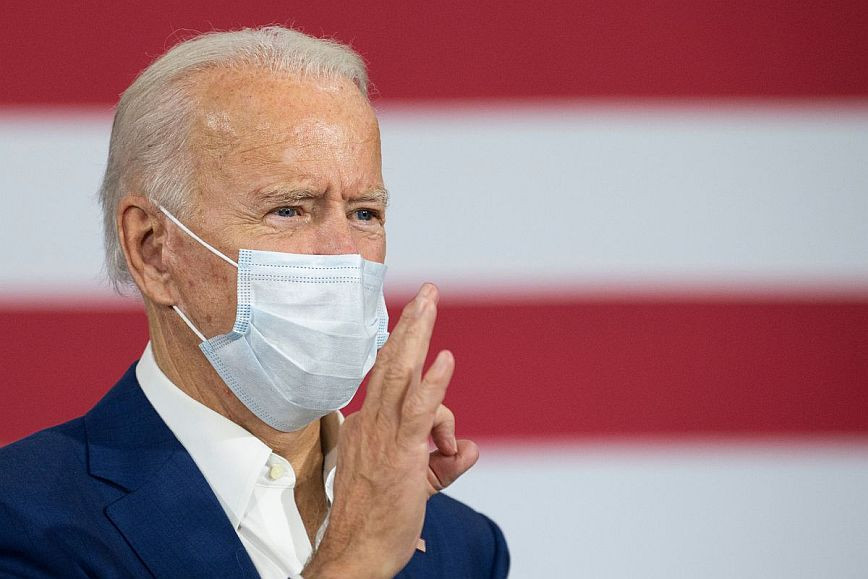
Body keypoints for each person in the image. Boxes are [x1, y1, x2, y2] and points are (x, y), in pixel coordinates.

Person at [0, 26, 509, 578]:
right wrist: (356, 556)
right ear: (153, 250)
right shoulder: (23, 519)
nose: (344, 254)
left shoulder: (466, 549)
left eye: (364, 213)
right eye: (288, 210)